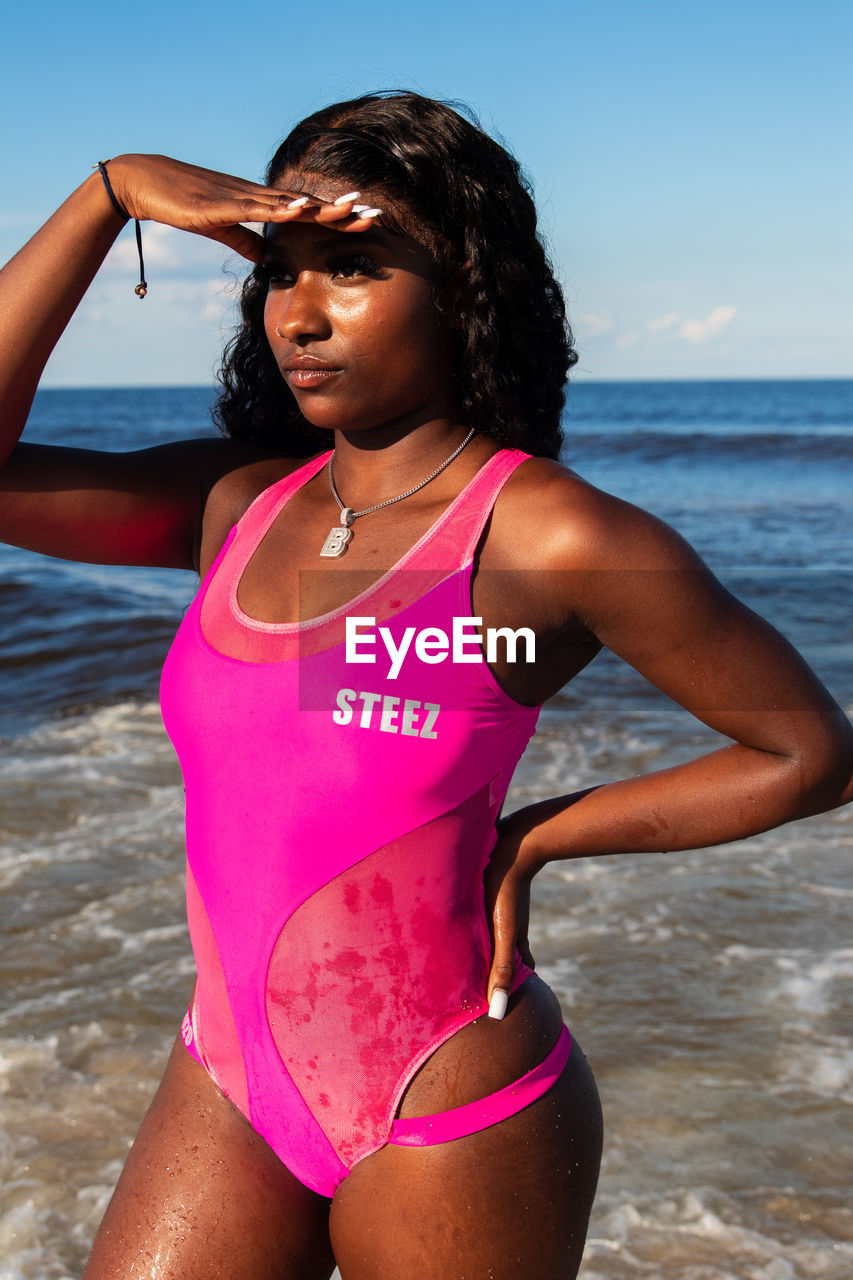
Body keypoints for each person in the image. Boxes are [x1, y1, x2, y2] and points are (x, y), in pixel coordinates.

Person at [0, 91, 850, 1280]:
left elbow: (808, 751)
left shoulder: (540, 532)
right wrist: (105, 197)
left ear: (459, 283)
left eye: (350, 267)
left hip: (446, 1095)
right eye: (280, 272)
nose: (298, 313)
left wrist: (542, 834)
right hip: (228, 1079)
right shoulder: (242, 504)